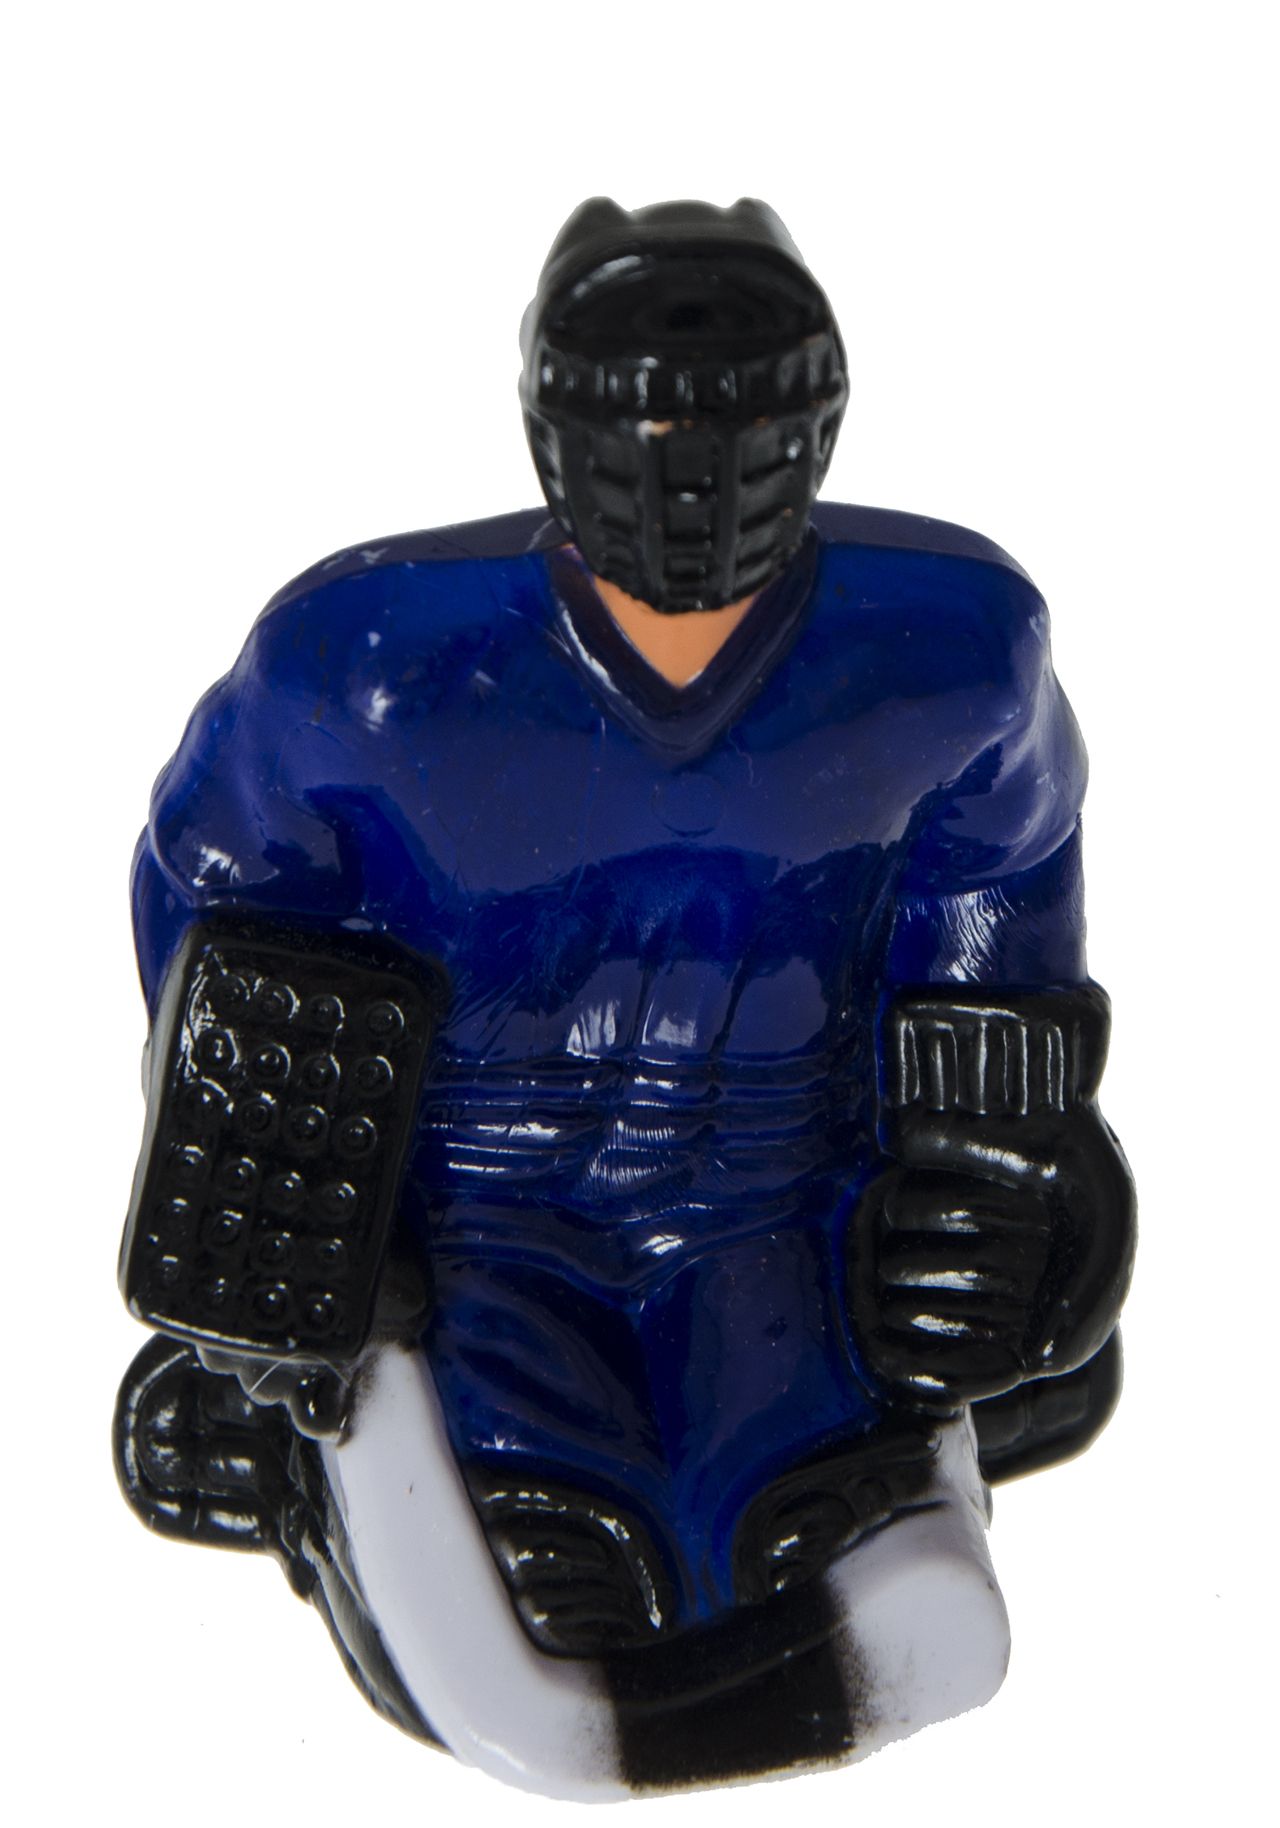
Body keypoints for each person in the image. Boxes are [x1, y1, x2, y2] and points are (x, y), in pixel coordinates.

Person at [115, 197, 1135, 1797]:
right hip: (478, 1230)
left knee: (812, 1524)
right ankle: (365, 1481)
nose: (688, 475)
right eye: (648, 425)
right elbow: (219, 901)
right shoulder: (362, 672)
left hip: (783, 1217)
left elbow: (999, 898)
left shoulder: (953, 661)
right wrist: (284, 1208)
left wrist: (1007, 1179)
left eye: (735, 421)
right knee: (555, 1566)